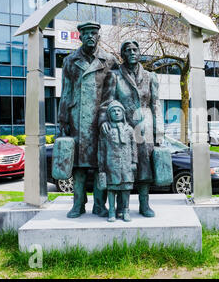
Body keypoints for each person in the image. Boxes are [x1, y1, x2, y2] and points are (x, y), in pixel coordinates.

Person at [58, 21, 119, 218]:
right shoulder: (70, 61)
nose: (90, 36)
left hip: (101, 120)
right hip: (77, 120)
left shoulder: (109, 60)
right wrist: (63, 120)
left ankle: (100, 205)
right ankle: (78, 203)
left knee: (101, 165)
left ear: (99, 36)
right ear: (80, 37)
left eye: (93, 33)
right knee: (79, 166)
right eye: (86, 33)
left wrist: (108, 119)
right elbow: (66, 92)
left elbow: (112, 94)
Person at [100, 40, 164, 218]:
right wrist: (105, 122)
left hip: (145, 127)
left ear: (139, 52)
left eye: (135, 49)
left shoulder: (151, 77)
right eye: (127, 50)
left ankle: (144, 205)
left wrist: (159, 131)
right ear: (122, 54)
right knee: (121, 168)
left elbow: (156, 104)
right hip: (122, 128)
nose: (132, 53)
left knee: (144, 167)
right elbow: (107, 103)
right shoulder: (114, 76)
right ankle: (121, 208)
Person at [98, 100, 137, 222]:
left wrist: (134, 162)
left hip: (126, 163)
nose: (116, 113)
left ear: (123, 113)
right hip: (111, 164)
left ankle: (126, 210)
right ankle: (111, 211)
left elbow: (134, 146)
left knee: (125, 188)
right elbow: (101, 148)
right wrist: (101, 165)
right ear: (109, 114)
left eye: (119, 110)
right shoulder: (106, 129)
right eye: (113, 111)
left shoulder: (129, 129)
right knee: (111, 188)